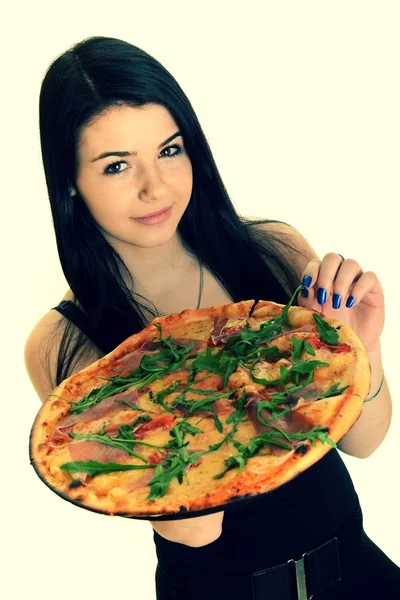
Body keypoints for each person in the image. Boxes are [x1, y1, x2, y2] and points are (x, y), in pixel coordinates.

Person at [24, 36, 399, 599]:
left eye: (170, 150)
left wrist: (357, 350)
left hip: (357, 570)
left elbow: (362, 443)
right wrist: (177, 396)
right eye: (117, 165)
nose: (155, 186)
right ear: (70, 185)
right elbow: (198, 531)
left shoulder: (273, 250)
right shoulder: (64, 341)